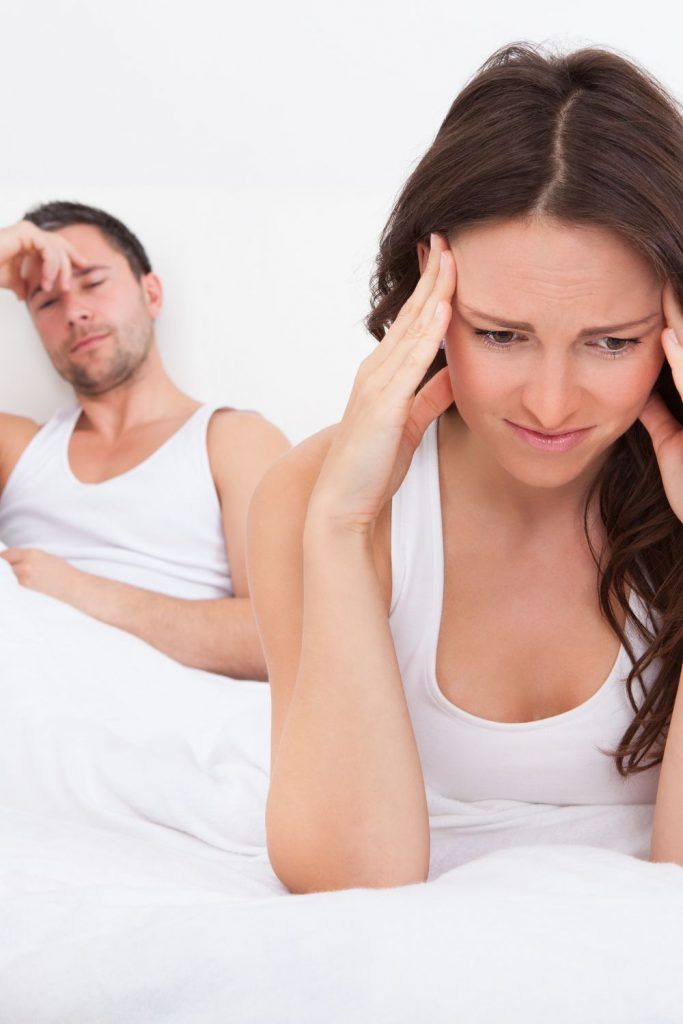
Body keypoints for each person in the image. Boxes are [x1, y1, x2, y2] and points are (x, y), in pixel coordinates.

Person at [248, 41, 683, 893]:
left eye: (609, 343)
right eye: (500, 334)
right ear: (429, 289)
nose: (550, 405)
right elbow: (347, 885)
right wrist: (339, 531)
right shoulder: (312, 496)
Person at [0, 202, 290, 680]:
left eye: (93, 282)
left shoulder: (232, 441)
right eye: (46, 302)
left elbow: (280, 640)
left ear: (151, 293)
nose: (75, 311)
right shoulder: (16, 449)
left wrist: (78, 591)